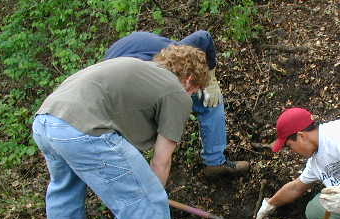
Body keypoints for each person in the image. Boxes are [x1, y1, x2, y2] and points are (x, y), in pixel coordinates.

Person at [32, 45, 209, 219]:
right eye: (195, 90)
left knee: (66, 183)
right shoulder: (176, 92)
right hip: (84, 130)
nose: (192, 95)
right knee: (149, 199)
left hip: (46, 122)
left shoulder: (140, 69)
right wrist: (149, 201)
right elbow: (161, 161)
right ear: (189, 79)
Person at [104, 30, 249, 177]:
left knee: (210, 99)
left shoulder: (179, 55)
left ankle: (215, 163)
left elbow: (203, 37)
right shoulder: (135, 90)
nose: (189, 96)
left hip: (145, 56)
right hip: (116, 82)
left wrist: (211, 80)